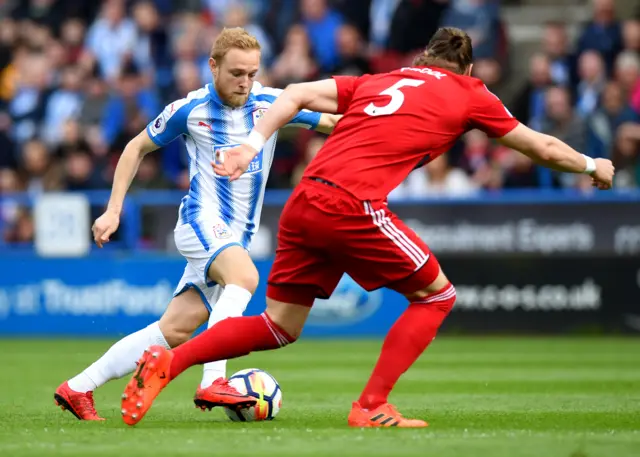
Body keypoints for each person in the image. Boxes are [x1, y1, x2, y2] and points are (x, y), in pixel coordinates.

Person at [119, 27, 615, 427]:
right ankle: (370, 406)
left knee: (279, 325)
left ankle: (169, 363)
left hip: (304, 200)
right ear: (466, 70)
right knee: (438, 297)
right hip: (350, 204)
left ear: (422, 60)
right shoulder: (471, 92)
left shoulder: (381, 80)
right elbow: (541, 148)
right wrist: (593, 166)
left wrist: (251, 143)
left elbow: (292, 93)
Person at [53, 27, 340, 421]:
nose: (245, 81)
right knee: (245, 277)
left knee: (174, 330)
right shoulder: (190, 110)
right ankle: (212, 382)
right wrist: (114, 209)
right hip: (200, 222)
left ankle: (77, 388)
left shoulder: (273, 103)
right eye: (236, 72)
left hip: (233, 235)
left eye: (252, 73)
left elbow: (332, 122)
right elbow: (136, 147)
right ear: (213, 66)